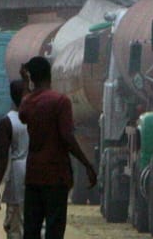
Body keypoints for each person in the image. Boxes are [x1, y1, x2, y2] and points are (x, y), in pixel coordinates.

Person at [18, 54, 96, 238]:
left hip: (33, 175)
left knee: (31, 228)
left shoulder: (27, 103)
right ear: (49, 74)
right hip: (56, 176)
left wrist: (25, 83)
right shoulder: (60, 102)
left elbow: (22, 111)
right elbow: (67, 137)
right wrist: (87, 164)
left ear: (32, 77)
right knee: (54, 229)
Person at [0, 79, 30, 237]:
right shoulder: (38, 117)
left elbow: (1, 157)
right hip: (37, 170)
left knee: (15, 223)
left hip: (17, 173)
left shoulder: (7, 122)